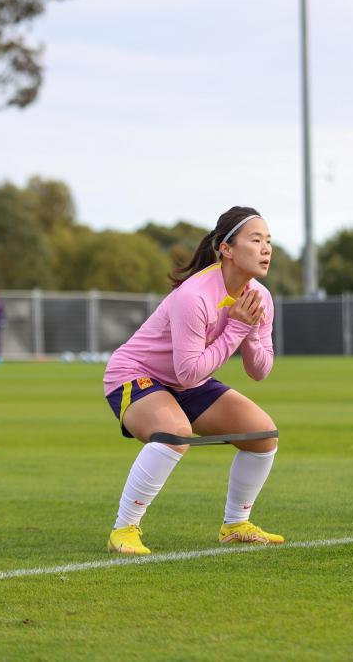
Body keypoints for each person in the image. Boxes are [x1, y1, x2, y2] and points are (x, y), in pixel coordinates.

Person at [103, 206, 282, 555]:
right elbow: (187, 371)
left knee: (263, 435)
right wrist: (238, 327)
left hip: (189, 381)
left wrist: (252, 333)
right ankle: (123, 530)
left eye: (269, 241)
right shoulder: (194, 295)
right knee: (175, 433)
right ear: (226, 248)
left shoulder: (260, 297)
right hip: (136, 374)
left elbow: (259, 371)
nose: (266, 249)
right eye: (256, 239)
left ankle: (235, 525)